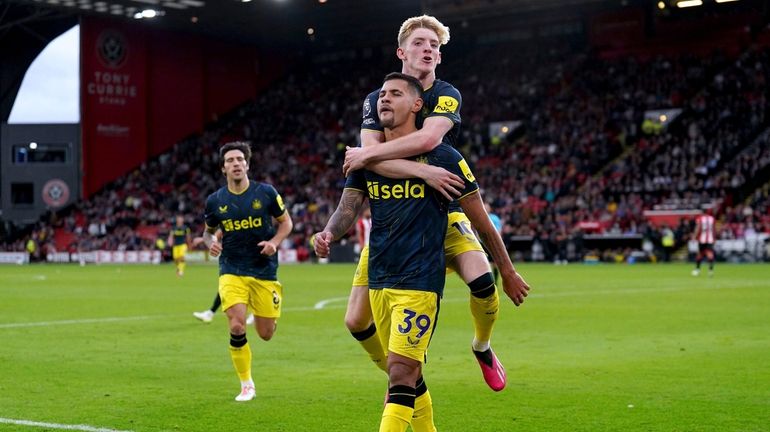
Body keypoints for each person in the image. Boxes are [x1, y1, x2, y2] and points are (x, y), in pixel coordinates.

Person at [319, 73, 530, 431]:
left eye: (395, 94)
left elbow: (481, 220)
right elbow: (349, 207)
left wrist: (507, 270)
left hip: (419, 280)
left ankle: (482, 345)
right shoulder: (366, 160)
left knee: (400, 373)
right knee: (408, 375)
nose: (383, 99)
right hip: (380, 275)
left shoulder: (445, 156)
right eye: (382, 94)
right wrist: (327, 232)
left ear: (417, 105)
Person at [340, 14, 517, 391]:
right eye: (421, 43)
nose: (429, 50)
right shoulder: (379, 99)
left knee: (484, 281)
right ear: (401, 51)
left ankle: (482, 346)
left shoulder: (447, 93)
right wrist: (417, 171)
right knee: (356, 320)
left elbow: (421, 143)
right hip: (395, 221)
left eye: (435, 46)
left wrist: (380, 158)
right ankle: (396, 370)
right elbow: (371, 158)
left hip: (444, 205)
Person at [201, 141, 293, 402]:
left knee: (266, 333)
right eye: (230, 160)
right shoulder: (215, 201)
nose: (236, 163)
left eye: (240, 159)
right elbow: (207, 233)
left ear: (248, 164)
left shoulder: (265, 193)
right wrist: (212, 244)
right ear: (223, 169)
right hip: (231, 269)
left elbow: (286, 223)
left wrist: (274, 243)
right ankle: (246, 384)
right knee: (238, 325)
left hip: (263, 270)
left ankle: (263, 309)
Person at [692, 209, 716, 277]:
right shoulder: (712, 218)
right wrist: (714, 238)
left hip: (702, 239)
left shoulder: (700, 218)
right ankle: (710, 271)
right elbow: (714, 229)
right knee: (710, 254)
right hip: (710, 239)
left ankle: (697, 270)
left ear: (702, 213)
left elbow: (698, 227)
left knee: (700, 254)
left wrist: (694, 236)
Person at [485, 202, 504, 283]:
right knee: (486, 263)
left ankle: (495, 281)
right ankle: (489, 282)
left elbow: (499, 230)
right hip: (483, 244)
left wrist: (497, 240)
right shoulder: (480, 217)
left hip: (493, 243)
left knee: (495, 264)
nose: (486, 208)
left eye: (487, 207)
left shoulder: (494, 218)